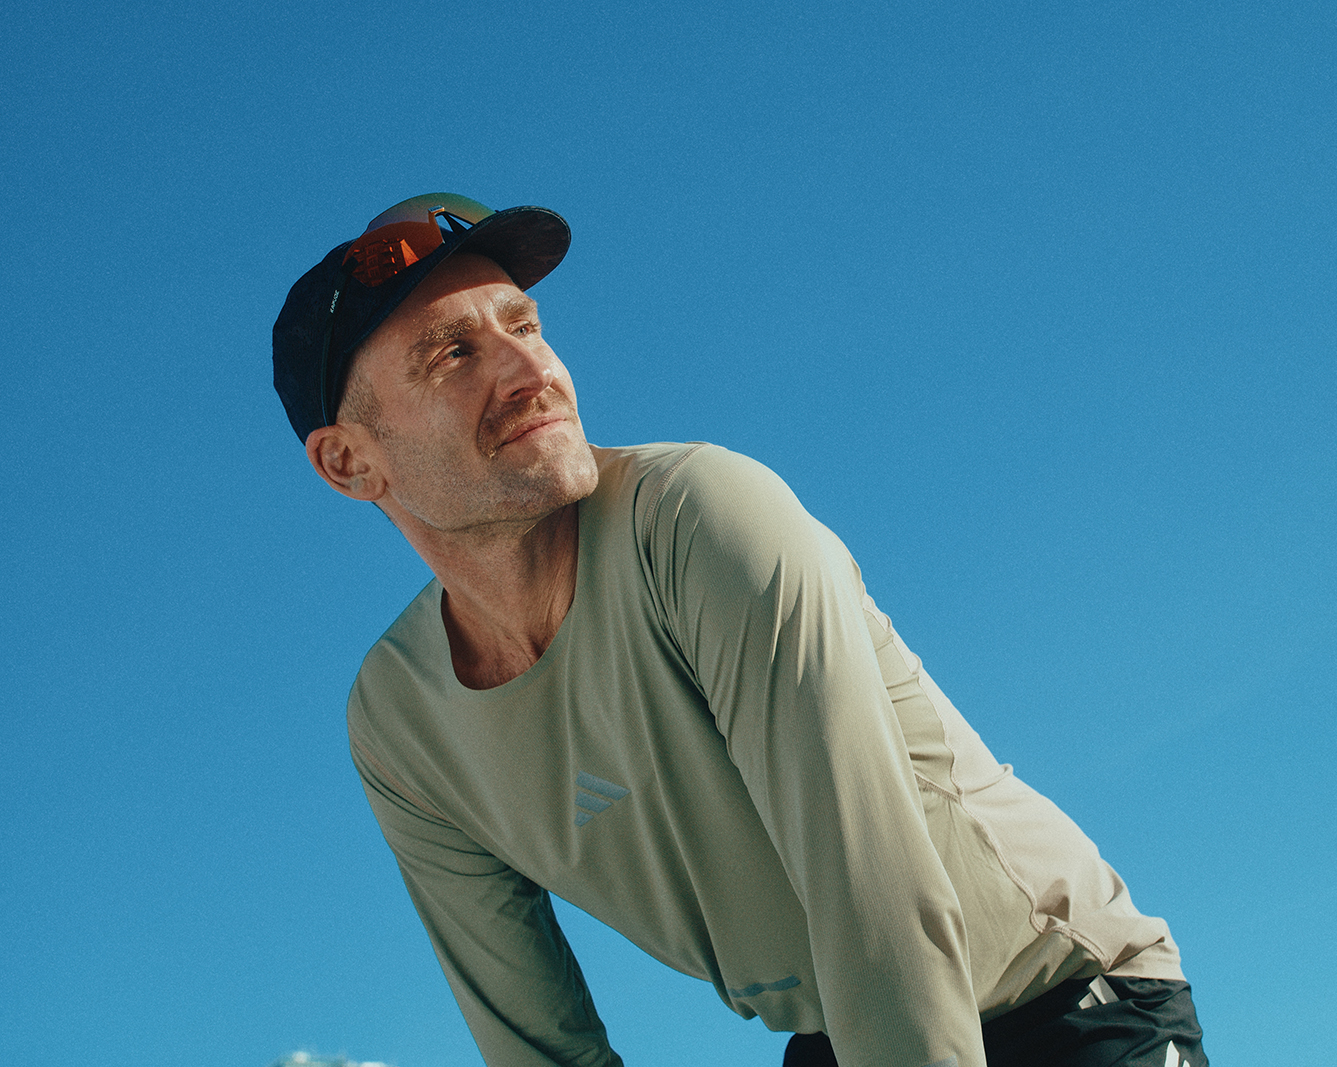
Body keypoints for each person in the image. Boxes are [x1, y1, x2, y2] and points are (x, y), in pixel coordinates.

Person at [272, 193, 1209, 1067]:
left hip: (1069, 999)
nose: (534, 373)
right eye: (451, 353)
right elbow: (536, 1044)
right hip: (841, 1033)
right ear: (349, 462)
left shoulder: (700, 519)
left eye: (525, 326)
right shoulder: (400, 725)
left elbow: (875, 903)